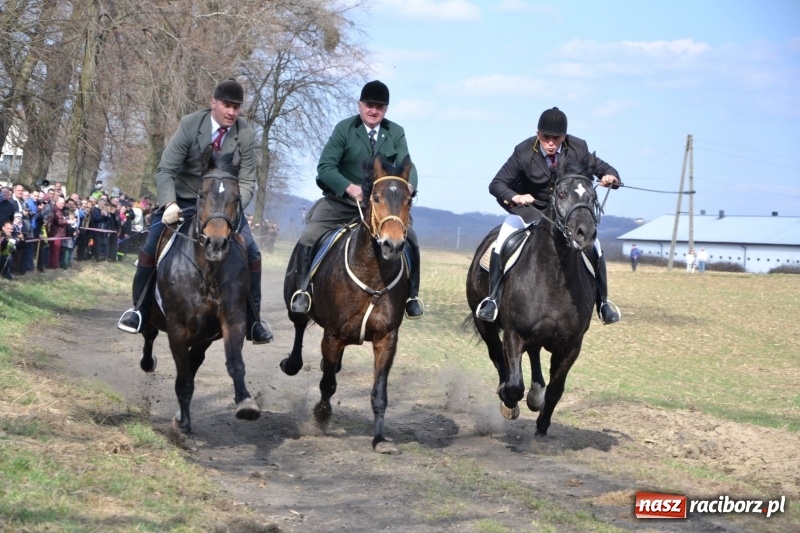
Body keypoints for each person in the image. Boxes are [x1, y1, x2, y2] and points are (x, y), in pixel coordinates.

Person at [118, 78, 273, 344]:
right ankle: (139, 311)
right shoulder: (191, 124)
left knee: (253, 252)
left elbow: (247, 181)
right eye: (227, 105)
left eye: (237, 107)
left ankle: (254, 320)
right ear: (213, 103)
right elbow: (166, 170)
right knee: (151, 246)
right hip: (183, 201)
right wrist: (169, 203)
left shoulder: (245, 134)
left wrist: (232, 207)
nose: (232, 112)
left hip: (223, 208)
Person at [287, 80, 424, 319]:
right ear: (360, 105)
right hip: (342, 203)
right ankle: (302, 291)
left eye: (380, 107)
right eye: (369, 105)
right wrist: (349, 188)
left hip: (381, 207)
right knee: (310, 233)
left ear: (386, 109)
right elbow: (325, 167)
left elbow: (407, 165)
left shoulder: (396, 132)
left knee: (410, 238)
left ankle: (412, 296)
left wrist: (409, 184)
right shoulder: (345, 129)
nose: (374, 111)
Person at [475, 107, 621, 324]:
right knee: (503, 239)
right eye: (546, 138)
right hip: (531, 210)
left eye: (557, 138)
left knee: (595, 247)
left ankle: (603, 303)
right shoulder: (524, 152)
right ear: (538, 134)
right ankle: (493, 299)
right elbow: (496, 184)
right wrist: (515, 196)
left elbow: (604, 168)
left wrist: (611, 177)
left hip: (566, 215)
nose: (551, 143)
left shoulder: (578, 148)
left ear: (564, 137)